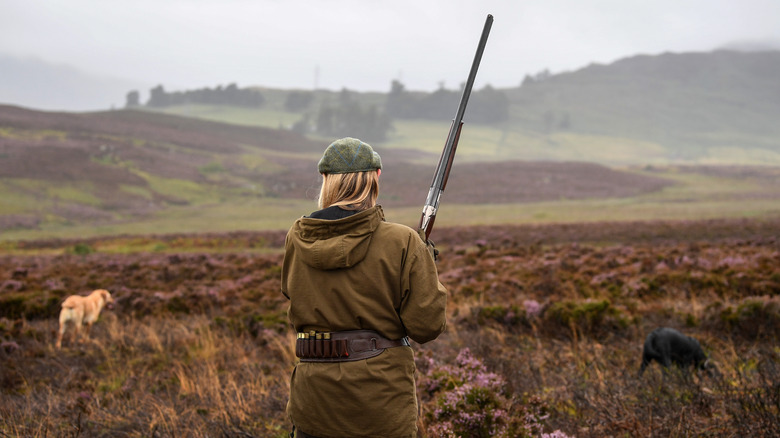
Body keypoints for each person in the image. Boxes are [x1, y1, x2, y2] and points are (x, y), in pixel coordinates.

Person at [281, 137, 448, 438]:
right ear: (376, 177)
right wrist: (425, 263)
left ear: (325, 179)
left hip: (313, 403)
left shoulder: (297, 238)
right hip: (380, 405)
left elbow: (292, 294)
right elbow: (426, 326)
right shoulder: (402, 241)